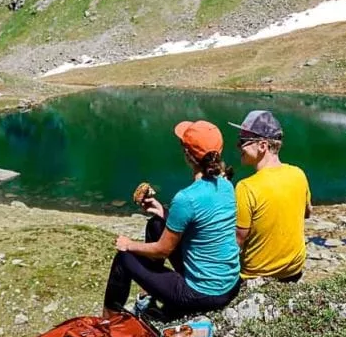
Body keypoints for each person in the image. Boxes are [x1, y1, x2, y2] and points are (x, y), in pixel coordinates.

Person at [103, 120, 241, 320]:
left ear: (187, 155)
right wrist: (162, 210)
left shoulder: (186, 198)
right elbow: (201, 223)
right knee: (157, 224)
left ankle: (109, 321)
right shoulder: (226, 185)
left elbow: (163, 250)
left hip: (202, 294)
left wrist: (128, 245)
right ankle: (153, 292)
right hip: (229, 283)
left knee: (124, 258)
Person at [230, 110, 312, 282]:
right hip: (294, 272)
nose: (238, 147)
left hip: (256, 276)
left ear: (262, 146)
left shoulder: (246, 187)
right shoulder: (298, 174)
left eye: (243, 142)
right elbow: (307, 212)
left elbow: (237, 241)